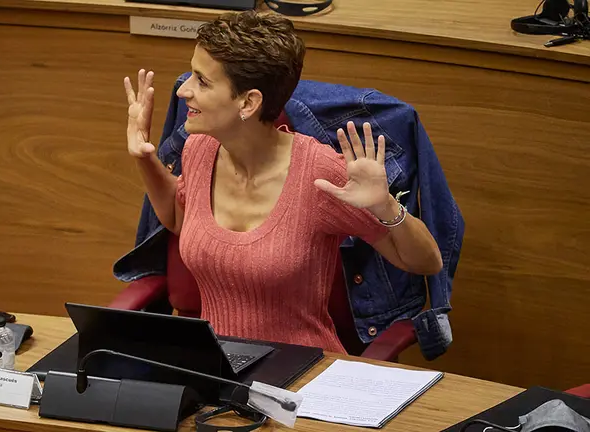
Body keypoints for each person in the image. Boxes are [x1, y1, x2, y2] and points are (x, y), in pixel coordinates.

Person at [122, 11, 442, 353]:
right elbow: (178, 220)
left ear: (249, 102)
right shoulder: (200, 149)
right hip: (221, 373)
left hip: (305, 378)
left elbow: (426, 263)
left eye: (201, 80)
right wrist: (145, 158)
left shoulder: (318, 173)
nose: (183, 90)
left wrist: (387, 207)